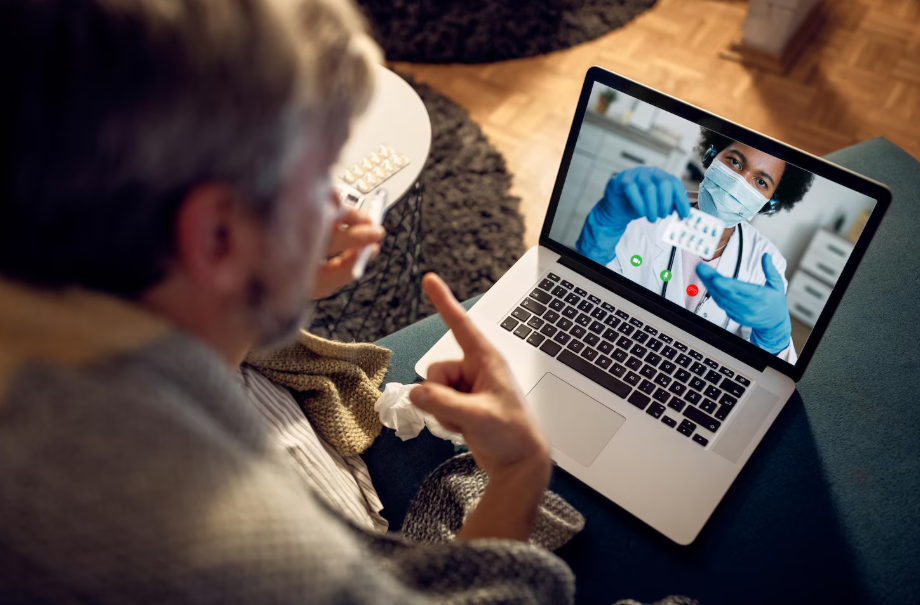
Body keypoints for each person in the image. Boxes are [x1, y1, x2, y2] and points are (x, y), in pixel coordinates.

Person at [0, 0, 572, 602]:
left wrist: (266, 276)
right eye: (321, 176)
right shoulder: (234, 547)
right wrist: (517, 475)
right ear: (216, 235)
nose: (338, 205)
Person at [575, 129, 815, 362]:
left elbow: (765, 373)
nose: (737, 184)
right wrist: (604, 227)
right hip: (616, 346)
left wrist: (774, 340)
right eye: (734, 162)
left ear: (769, 204)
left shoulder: (765, 263)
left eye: (761, 181)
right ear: (712, 156)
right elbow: (587, 293)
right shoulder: (645, 214)